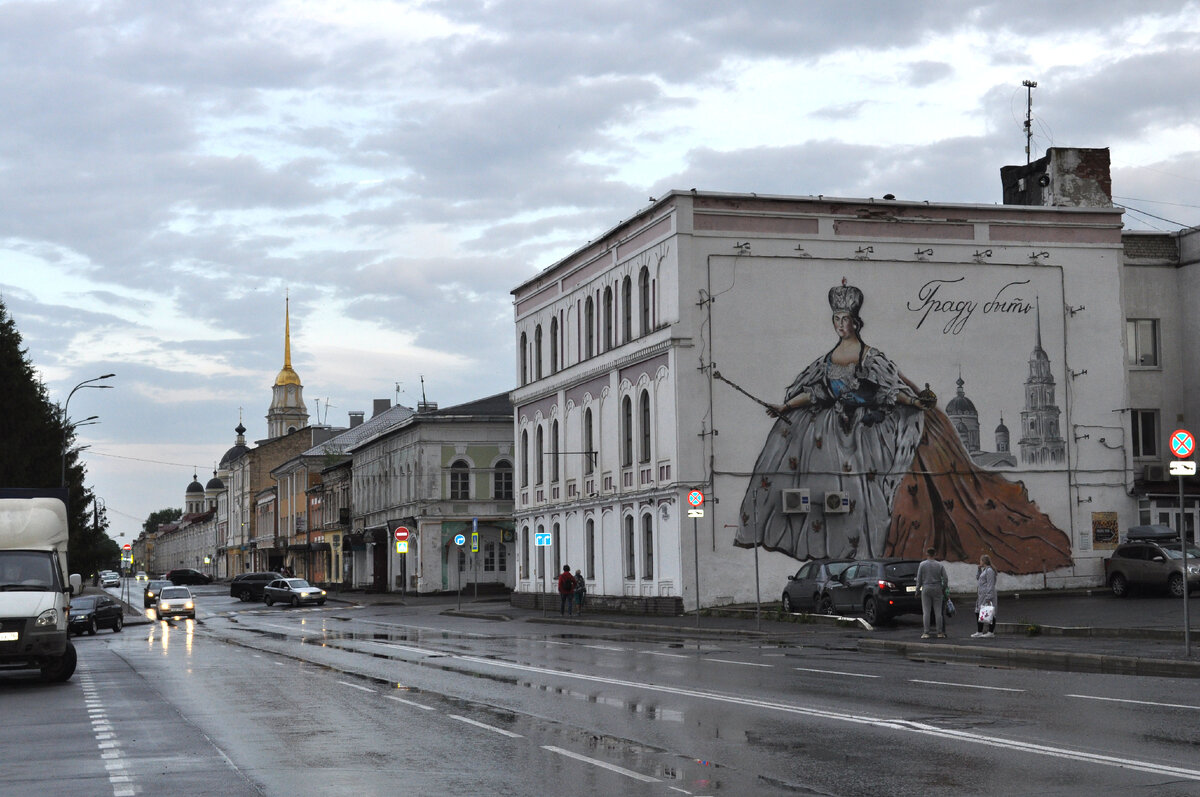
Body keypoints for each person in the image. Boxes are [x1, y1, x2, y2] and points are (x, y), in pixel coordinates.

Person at [734, 278, 1074, 575]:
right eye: (836, 319)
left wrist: (915, 403)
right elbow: (815, 392)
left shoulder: (870, 357)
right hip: (830, 436)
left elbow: (891, 389)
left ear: (856, 322)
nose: (840, 325)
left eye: (846, 319)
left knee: (868, 496)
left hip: (866, 434)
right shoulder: (826, 360)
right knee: (816, 488)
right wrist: (784, 406)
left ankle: (867, 553)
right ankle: (840, 555)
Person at [916, 547, 947, 639]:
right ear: (935, 554)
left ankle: (926, 632)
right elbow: (945, 578)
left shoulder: (922, 565)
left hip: (926, 587)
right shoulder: (939, 565)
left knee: (926, 611)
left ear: (927, 554)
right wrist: (943, 588)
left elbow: (919, 578)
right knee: (938, 612)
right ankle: (940, 632)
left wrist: (917, 590)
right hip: (937, 587)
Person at [972, 554, 998, 638]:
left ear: (984, 561)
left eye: (981, 561)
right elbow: (978, 578)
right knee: (979, 611)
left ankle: (991, 632)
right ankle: (979, 631)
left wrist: (988, 596)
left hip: (987, 594)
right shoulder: (984, 570)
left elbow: (990, 584)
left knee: (990, 612)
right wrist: (979, 569)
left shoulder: (989, 571)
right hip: (981, 595)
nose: (980, 562)